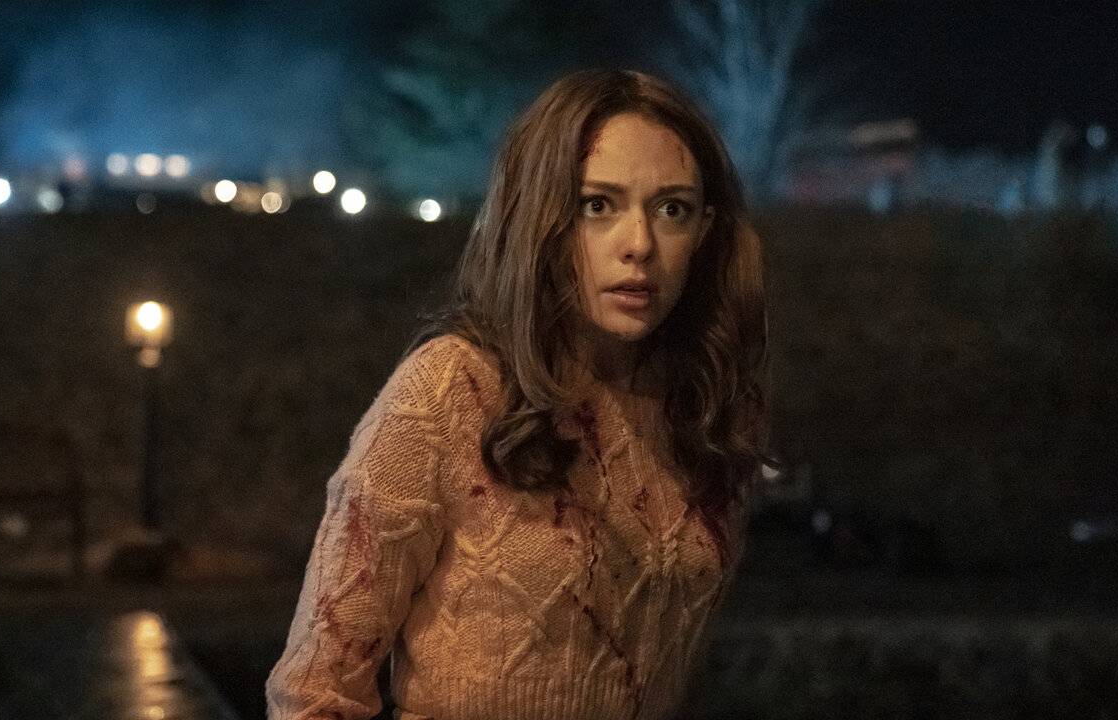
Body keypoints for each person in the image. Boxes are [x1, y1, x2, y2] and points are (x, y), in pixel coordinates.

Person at [266, 68, 769, 720]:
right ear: (540, 218)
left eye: (671, 209)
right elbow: (314, 693)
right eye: (597, 205)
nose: (639, 245)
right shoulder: (450, 392)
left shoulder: (706, 409)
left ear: (705, 229)